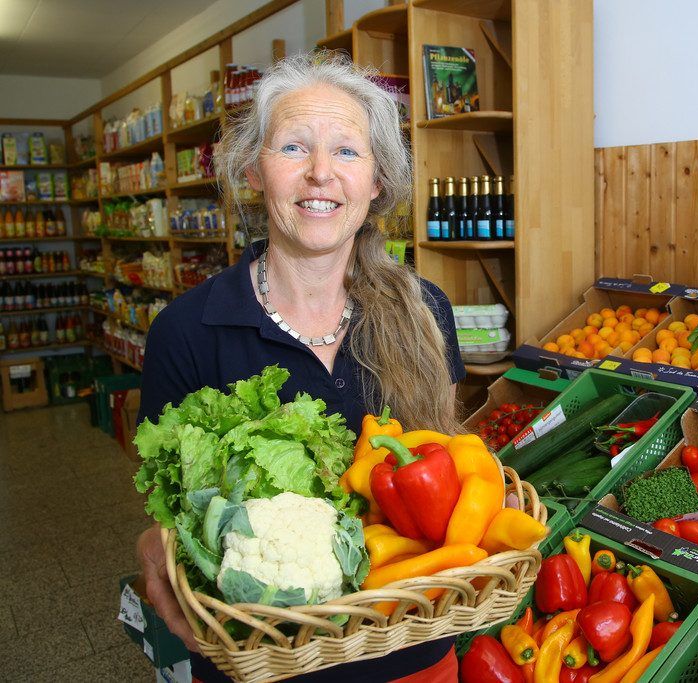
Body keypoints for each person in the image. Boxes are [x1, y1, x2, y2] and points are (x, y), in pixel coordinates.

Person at [134, 52, 465, 682]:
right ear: (255, 172)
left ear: (378, 182)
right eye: (293, 148)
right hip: (266, 663)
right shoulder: (184, 332)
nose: (320, 174)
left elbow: (446, 471)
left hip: (413, 650)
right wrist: (158, 544)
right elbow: (169, 513)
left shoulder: (426, 312)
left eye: (346, 151)